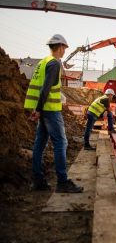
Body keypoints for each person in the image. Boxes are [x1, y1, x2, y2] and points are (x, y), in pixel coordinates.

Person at [24, 34, 83, 193]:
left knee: (40, 143)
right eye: (65, 48)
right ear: (61, 47)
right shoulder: (54, 64)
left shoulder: (43, 62)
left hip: (44, 111)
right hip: (49, 110)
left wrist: (37, 109)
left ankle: (38, 181)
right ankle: (62, 182)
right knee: (60, 143)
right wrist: (39, 109)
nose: (65, 51)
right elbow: (46, 88)